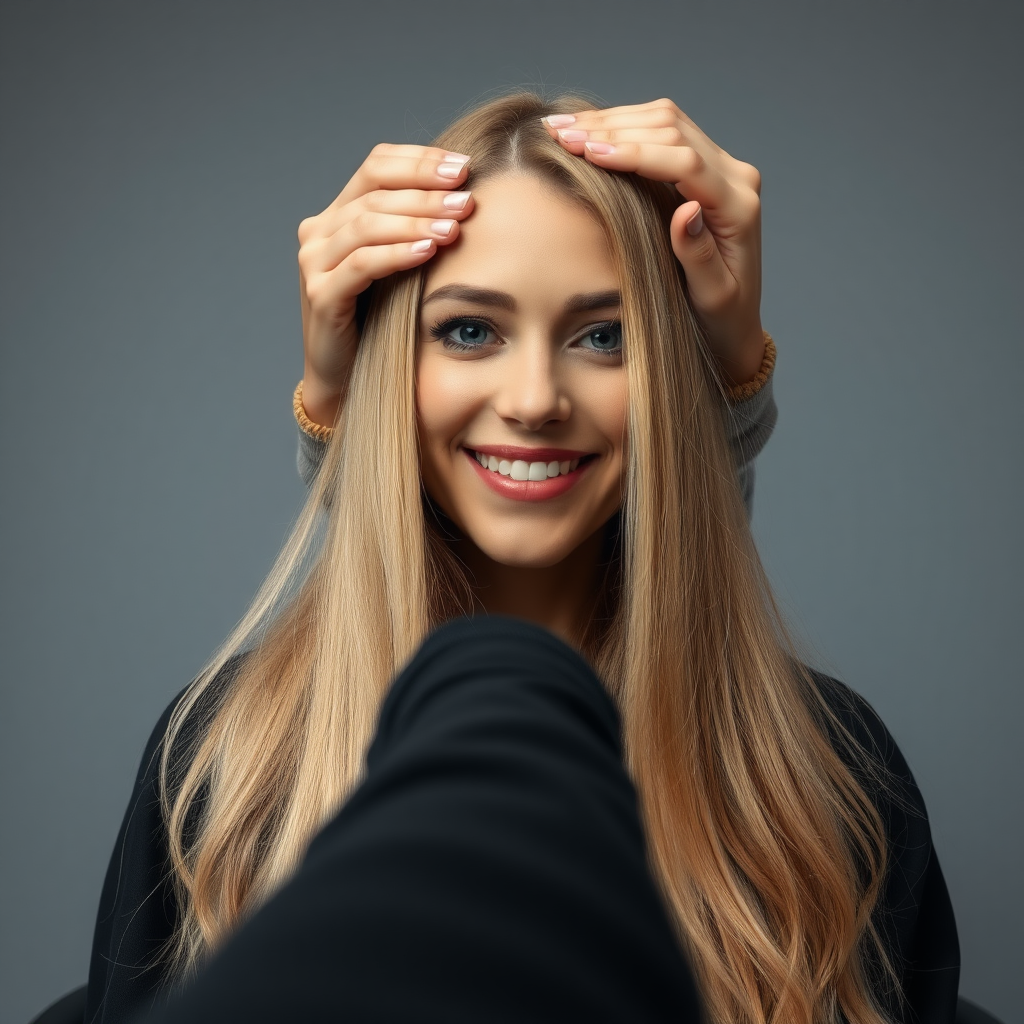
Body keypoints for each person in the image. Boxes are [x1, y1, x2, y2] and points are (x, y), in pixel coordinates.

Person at [85, 92, 959, 1024]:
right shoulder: (225, 761)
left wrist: (727, 381)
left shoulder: (828, 772)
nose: (535, 398)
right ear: (388, 370)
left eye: (604, 336)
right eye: (469, 331)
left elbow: (685, 525)